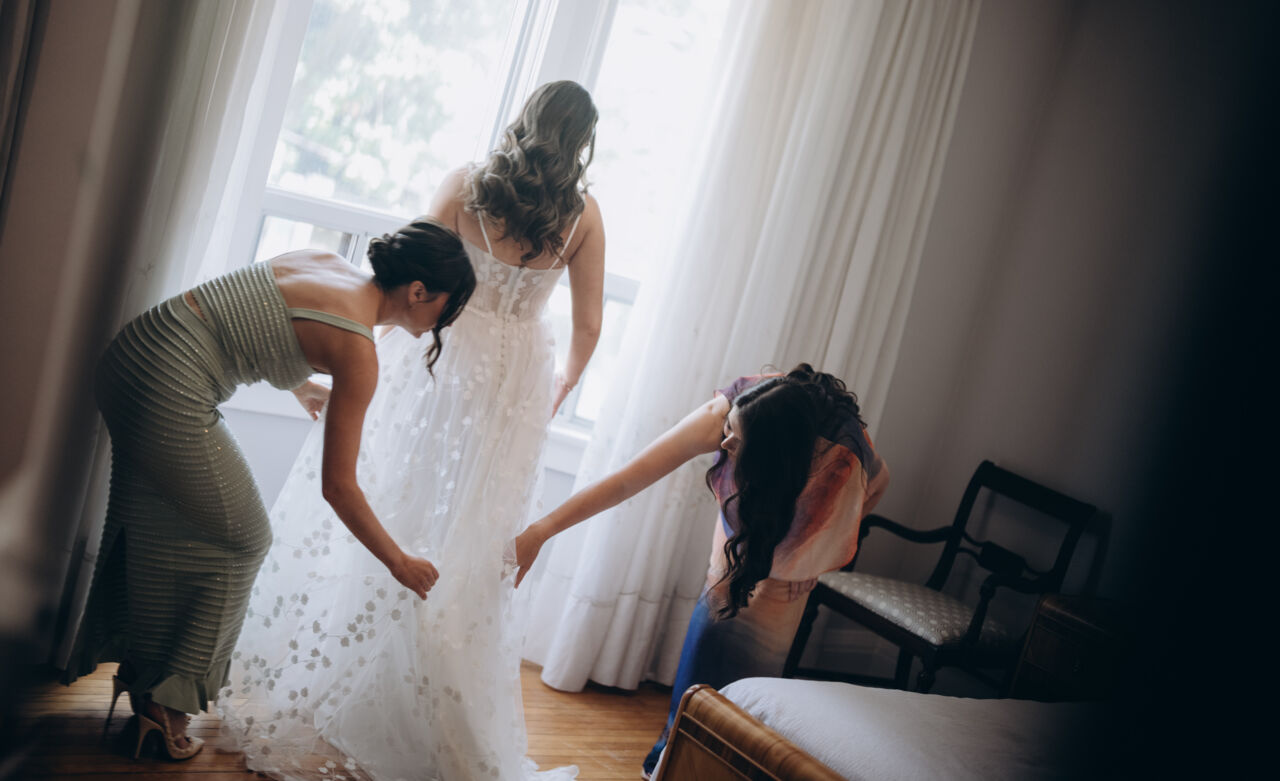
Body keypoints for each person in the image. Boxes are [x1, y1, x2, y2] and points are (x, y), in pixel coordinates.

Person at [219, 80, 604, 780]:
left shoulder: (468, 185)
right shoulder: (583, 217)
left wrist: (364, 348)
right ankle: (423, 681)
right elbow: (589, 326)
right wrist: (560, 387)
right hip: (517, 376)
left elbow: (413, 268)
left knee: (397, 486)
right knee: (472, 527)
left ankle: (354, 663)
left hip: (439, 346)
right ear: (582, 143)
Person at [63, 220, 476, 761]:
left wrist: (299, 385)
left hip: (134, 354)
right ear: (418, 292)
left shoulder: (323, 262)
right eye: (449, 306)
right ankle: (164, 703)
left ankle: (146, 678)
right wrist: (398, 561)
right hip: (166, 386)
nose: (448, 321)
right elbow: (339, 487)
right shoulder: (358, 351)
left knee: (156, 522)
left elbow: (242, 319)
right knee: (246, 540)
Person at [513, 364, 890, 778]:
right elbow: (625, 480)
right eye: (728, 430)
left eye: (737, 441)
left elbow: (881, 480)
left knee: (747, 698)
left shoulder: (839, 456)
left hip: (788, 576)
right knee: (701, 669)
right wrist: (543, 530)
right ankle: (667, 762)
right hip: (735, 548)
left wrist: (815, 546)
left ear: (769, 455)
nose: (724, 443)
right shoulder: (727, 414)